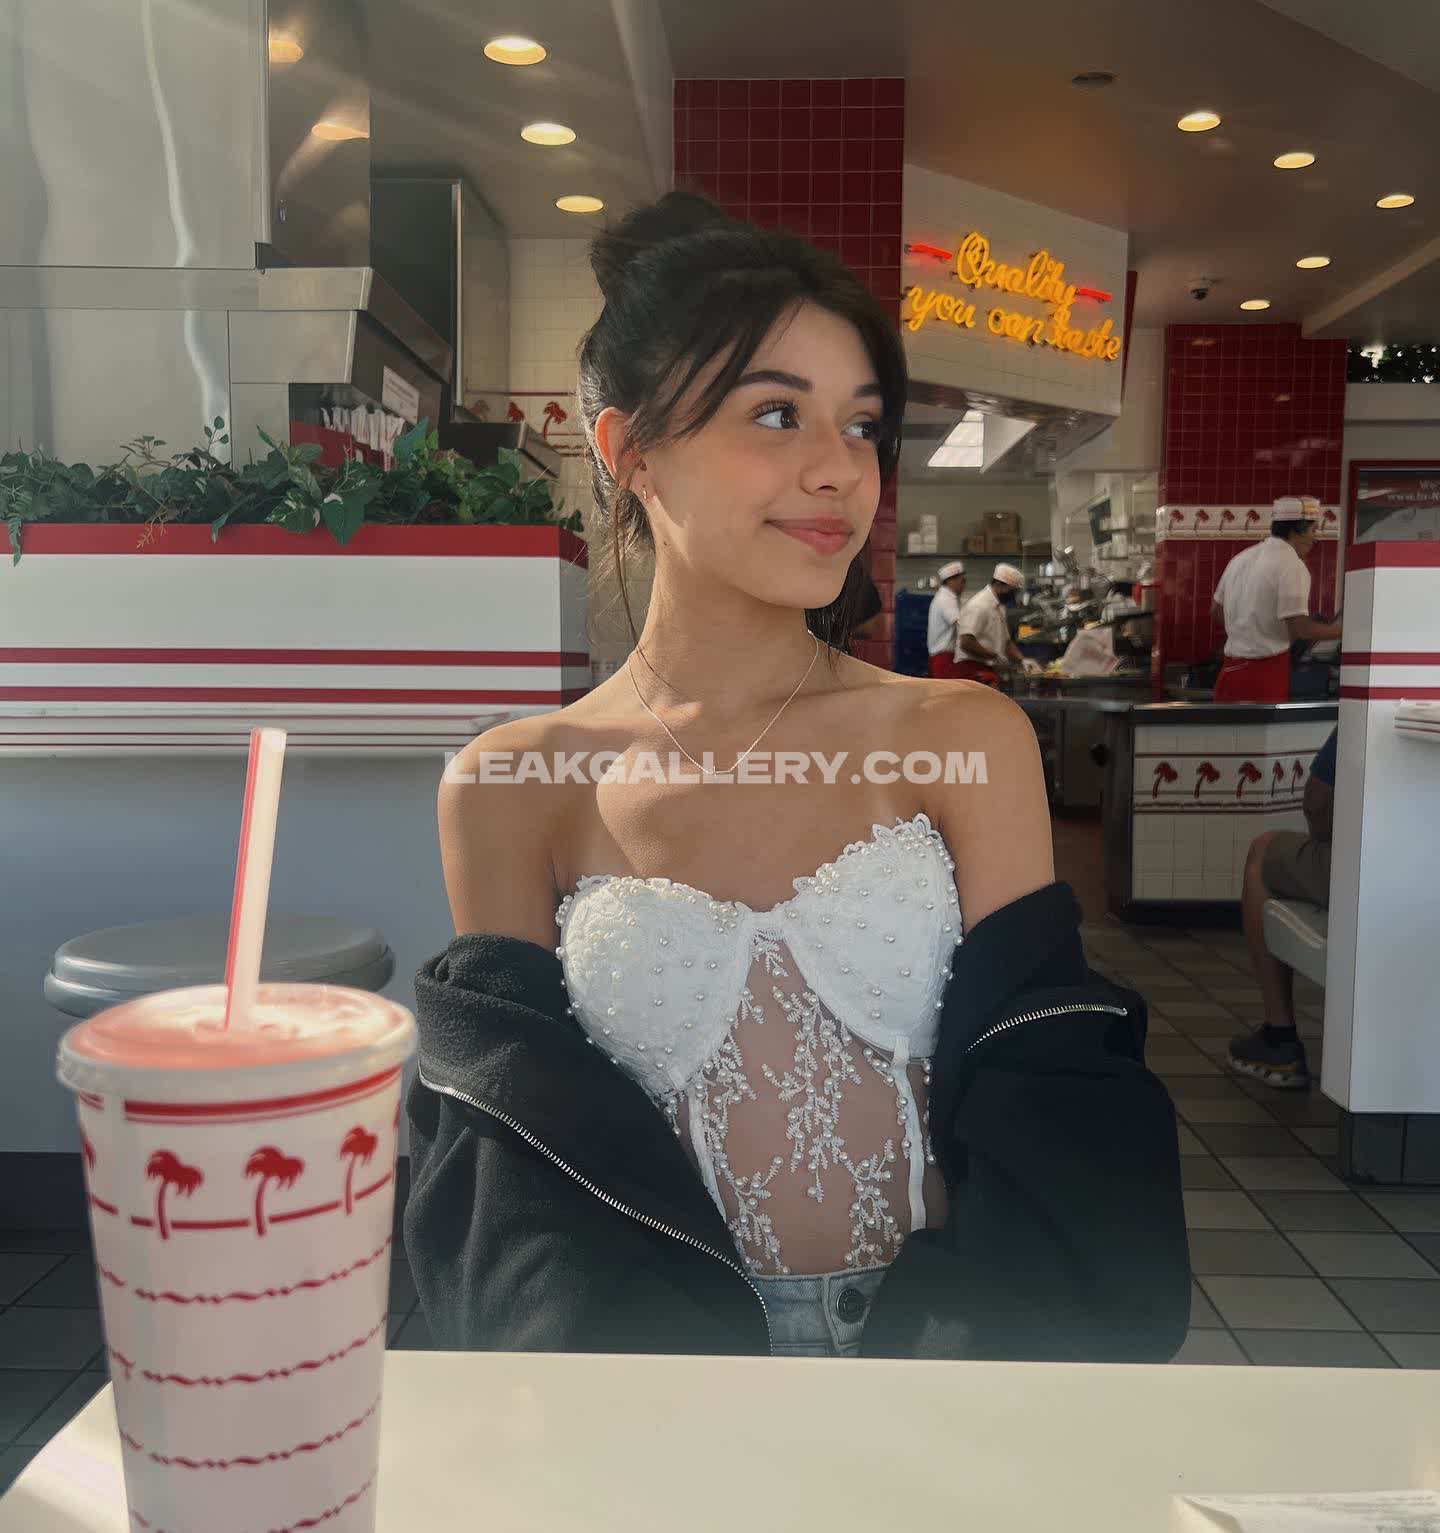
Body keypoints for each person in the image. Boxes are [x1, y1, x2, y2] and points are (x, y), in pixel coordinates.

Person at [404, 191, 1188, 1363]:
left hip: (946, 1344)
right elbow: (515, 1157)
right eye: (776, 414)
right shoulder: (514, 783)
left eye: (862, 425)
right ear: (628, 452)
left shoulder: (960, 737)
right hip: (648, 1362)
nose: (840, 471)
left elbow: (1049, 1086)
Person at [1228, 726, 1338, 1089]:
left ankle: (1280, 1038)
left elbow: (1318, 803)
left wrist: (1324, 837)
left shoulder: (1374, 706)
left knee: (1263, 850)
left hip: (1372, 868)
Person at [1211, 495, 1342, 702]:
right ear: (1296, 531)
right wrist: (1346, 632)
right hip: (1263, 678)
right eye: (1313, 530)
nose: (1315, 538)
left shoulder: (1241, 558)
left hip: (1229, 673)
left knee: (1225, 725)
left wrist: (1248, 631)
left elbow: (1216, 610)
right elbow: (1301, 629)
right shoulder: (1292, 565)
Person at [955, 563, 1042, 682]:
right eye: (1012, 591)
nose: (1013, 596)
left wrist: (1022, 660)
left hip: (987, 668)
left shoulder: (999, 607)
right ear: (999, 584)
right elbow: (966, 642)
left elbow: (1007, 642)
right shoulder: (978, 605)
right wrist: (995, 656)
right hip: (971, 669)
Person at [925, 560, 966, 677]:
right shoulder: (946, 599)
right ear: (950, 581)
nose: (964, 585)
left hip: (941, 657)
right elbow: (960, 624)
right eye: (962, 581)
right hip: (943, 658)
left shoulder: (946, 597)